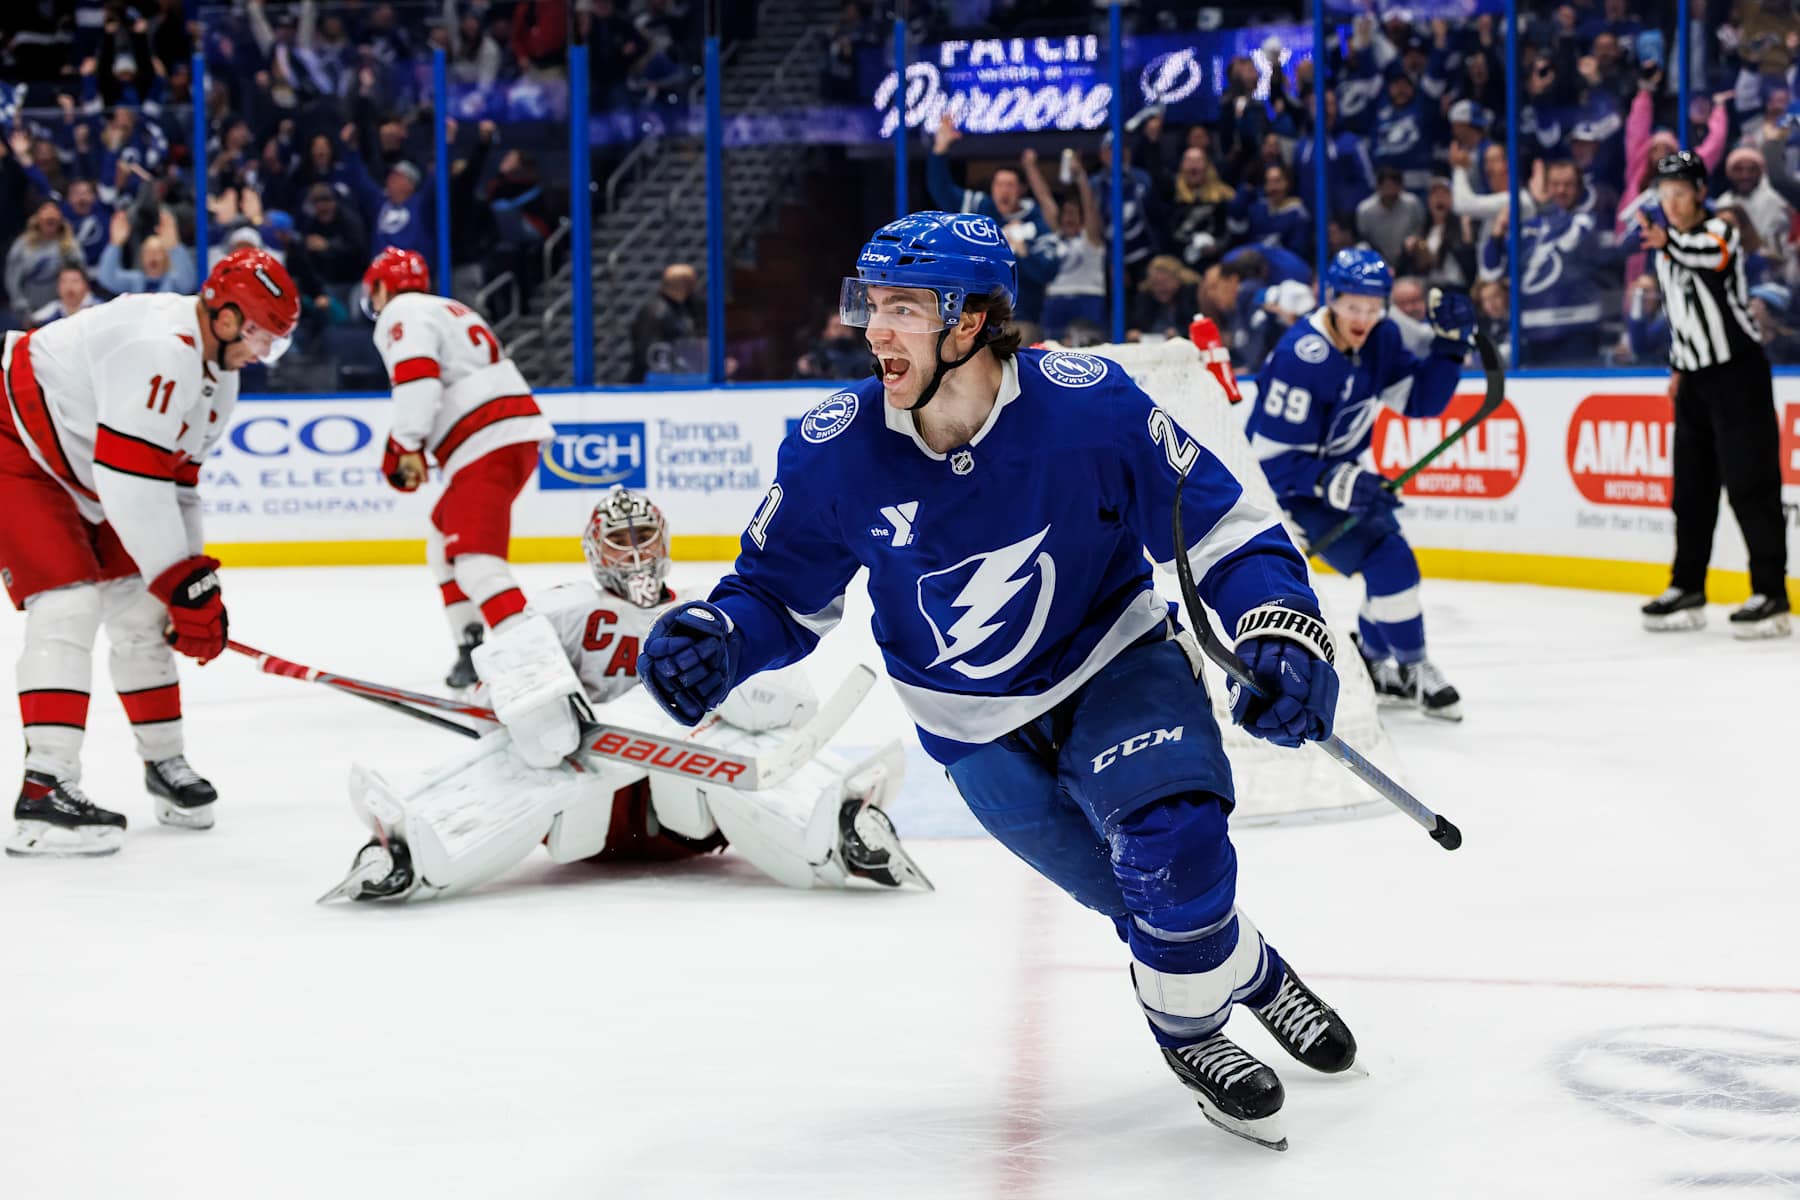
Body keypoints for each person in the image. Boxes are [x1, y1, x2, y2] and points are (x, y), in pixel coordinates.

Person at [635, 211, 1358, 1151]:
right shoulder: (831, 450)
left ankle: (1190, 1032)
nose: (873, 329)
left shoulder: (1089, 406)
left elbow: (1225, 527)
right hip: (972, 733)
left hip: (1113, 664)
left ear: (970, 324)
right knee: (1137, 897)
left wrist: (1281, 624)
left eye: (902, 308)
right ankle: (1252, 969)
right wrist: (721, 638)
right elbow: (779, 594)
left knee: (1175, 849)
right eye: (869, 304)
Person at [323, 486, 929, 902]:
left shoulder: (705, 608)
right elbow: (503, 676)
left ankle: (843, 831)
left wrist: (733, 692)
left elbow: (789, 706)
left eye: (645, 535)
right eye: (621, 539)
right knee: (536, 753)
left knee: (745, 736)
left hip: (685, 805)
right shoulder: (561, 609)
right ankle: (412, 855)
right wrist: (533, 704)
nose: (637, 551)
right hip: (591, 796)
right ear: (595, 551)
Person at [0, 247, 298, 855]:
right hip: (14, 437)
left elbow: (177, 485)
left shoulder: (222, 379)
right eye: (260, 337)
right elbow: (132, 479)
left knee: (142, 609)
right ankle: (45, 790)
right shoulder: (162, 347)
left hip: (85, 464)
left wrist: (194, 590)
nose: (262, 353)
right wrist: (183, 583)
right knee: (68, 603)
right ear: (225, 317)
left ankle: (165, 764)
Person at [1244, 248, 1475, 719]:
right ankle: (1411, 667)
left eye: (1373, 308)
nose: (1363, 318)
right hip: (1289, 495)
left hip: (1333, 481)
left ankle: (1376, 659)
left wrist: (1450, 348)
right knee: (1391, 561)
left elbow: (1418, 402)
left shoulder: (1381, 339)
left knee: (1391, 565)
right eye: (1353, 306)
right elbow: (1267, 461)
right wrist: (1334, 483)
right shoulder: (1300, 357)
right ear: (1332, 298)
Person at [361, 247, 555, 685]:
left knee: (475, 561)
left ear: (380, 287)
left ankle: (534, 667)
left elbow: (418, 379)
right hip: (499, 436)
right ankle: (473, 648)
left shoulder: (400, 311)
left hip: (486, 439)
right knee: (441, 538)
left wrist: (403, 441)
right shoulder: (451, 308)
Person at [1634, 151, 1790, 637]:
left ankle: (1771, 595)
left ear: (1700, 192)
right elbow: (1682, 317)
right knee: (1691, 489)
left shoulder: (1718, 230)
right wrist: (1678, 368)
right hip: (1696, 380)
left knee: (1751, 485)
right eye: (1665, 195)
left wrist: (1668, 241)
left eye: (1680, 193)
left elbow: (1709, 256)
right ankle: (1688, 585)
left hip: (1737, 374)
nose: (1672, 203)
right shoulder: (1668, 246)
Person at [628, 262, 706, 383]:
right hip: (654, 384)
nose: (695, 288)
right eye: (692, 283)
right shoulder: (655, 311)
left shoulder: (686, 307)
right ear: (684, 285)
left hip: (681, 379)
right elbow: (649, 354)